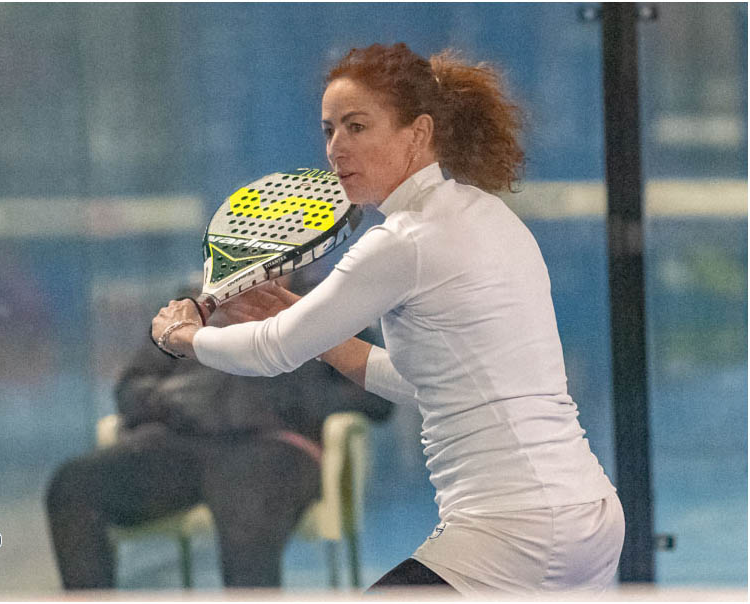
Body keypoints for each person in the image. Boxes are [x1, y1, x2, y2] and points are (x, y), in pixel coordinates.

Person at [150, 43, 624, 596]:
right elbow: (432, 381)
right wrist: (319, 334)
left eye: (356, 126)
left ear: (418, 133)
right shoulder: (489, 215)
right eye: (329, 130)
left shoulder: (403, 241)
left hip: (514, 531)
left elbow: (270, 351)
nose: (336, 148)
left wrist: (183, 336)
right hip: (590, 518)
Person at [45, 284, 393, 590]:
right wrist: (171, 399)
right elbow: (130, 388)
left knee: (246, 505)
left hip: (273, 446)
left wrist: (286, 399)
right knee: (73, 485)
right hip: (181, 441)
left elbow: (377, 398)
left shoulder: (324, 301)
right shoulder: (188, 308)